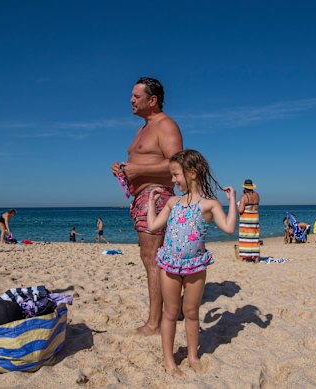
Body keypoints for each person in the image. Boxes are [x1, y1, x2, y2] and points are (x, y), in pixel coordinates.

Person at [146, 149, 237, 377]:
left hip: (196, 266)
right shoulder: (172, 202)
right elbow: (153, 226)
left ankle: (193, 356)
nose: (173, 180)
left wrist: (233, 201)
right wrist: (150, 202)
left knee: (192, 312)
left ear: (192, 173)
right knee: (170, 313)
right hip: (169, 265)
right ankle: (169, 362)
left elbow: (228, 228)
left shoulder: (210, 204)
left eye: (176, 175)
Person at [111, 77, 183, 335]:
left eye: (136, 96)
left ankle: (155, 323)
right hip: (143, 197)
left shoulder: (165, 125)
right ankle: (172, 309)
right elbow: (143, 160)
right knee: (158, 258)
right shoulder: (144, 128)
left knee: (151, 257)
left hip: (156, 196)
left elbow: (177, 164)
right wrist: (124, 170)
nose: (130, 100)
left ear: (152, 100)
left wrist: (139, 169)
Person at [237, 179, 260, 262]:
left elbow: (240, 210)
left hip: (246, 218)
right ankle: (256, 258)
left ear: (244, 188)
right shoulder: (257, 195)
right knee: (254, 238)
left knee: (245, 238)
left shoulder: (244, 197)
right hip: (255, 217)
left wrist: (237, 205)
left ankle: (248, 257)